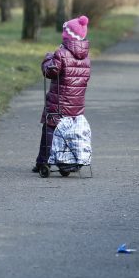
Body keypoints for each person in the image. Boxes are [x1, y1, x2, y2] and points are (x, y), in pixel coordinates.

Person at [33, 15, 91, 177]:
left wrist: (47, 58)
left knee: (49, 130)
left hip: (59, 102)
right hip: (76, 104)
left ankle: (44, 161)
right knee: (70, 132)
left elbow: (50, 71)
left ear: (67, 35)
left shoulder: (61, 53)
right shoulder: (86, 56)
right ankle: (68, 160)